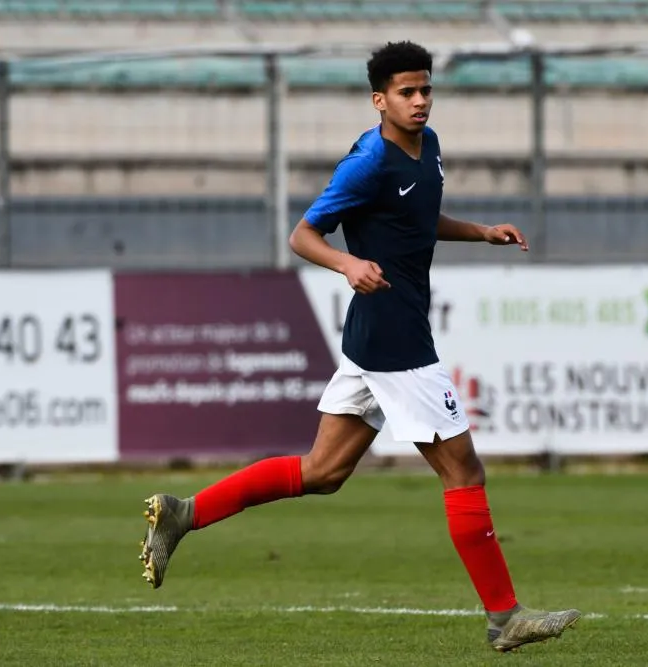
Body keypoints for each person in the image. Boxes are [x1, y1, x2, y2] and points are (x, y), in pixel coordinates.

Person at [138, 40, 581, 654]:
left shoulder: (429, 147)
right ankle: (505, 616)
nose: (420, 100)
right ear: (380, 100)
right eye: (407, 92)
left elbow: (420, 220)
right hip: (397, 341)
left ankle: (184, 513)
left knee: (323, 472)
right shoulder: (368, 162)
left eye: (426, 89)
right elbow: (303, 234)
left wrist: (480, 232)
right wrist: (348, 264)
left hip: (376, 336)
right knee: (464, 471)